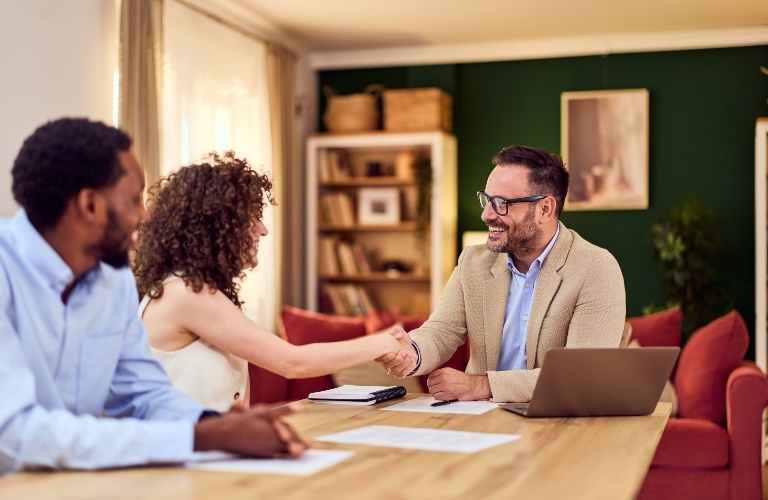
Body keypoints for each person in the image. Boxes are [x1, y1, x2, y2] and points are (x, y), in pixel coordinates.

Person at [0, 118, 308, 474]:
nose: (144, 215)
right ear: (89, 205)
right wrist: (201, 437)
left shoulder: (110, 280)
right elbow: (14, 433)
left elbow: (143, 395)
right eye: (133, 199)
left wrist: (215, 425)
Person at [132, 152, 414, 411]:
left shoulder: (194, 290)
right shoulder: (184, 293)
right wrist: (383, 343)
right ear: (215, 225)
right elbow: (292, 362)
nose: (263, 230)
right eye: (251, 218)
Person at [378, 145, 626, 403]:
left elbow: (581, 374)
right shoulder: (472, 262)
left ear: (545, 209)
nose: (486, 215)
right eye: (487, 200)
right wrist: (411, 353)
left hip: (555, 423)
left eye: (501, 203)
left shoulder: (596, 268)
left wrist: (480, 386)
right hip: (479, 423)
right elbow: (442, 331)